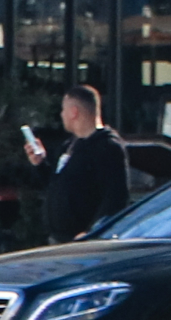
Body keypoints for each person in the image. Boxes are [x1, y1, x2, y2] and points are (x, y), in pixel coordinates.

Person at [23, 84, 130, 243]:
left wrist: (92, 231)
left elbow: (116, 197)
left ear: (74, 112)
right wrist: (40, 164)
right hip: (58, 239)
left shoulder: (108, 147)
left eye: (63, 109)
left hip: (83, 242)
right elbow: (58, 185)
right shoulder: (70, 145)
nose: (61, 114)